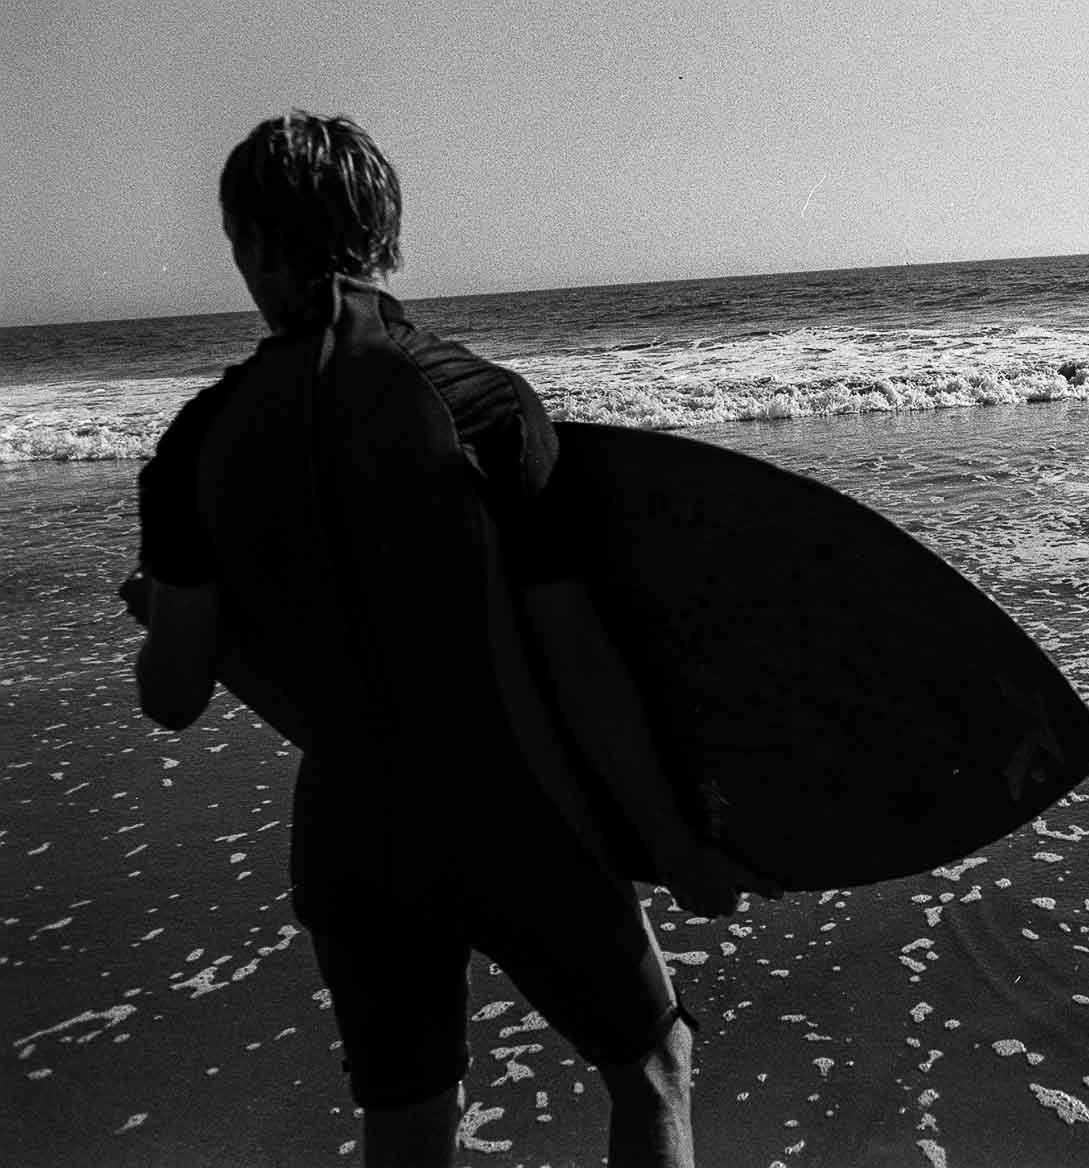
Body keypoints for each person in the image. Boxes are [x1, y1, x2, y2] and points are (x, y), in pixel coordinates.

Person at [130, 111, 776, 1167]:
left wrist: (162, 612)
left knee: (409, 1119)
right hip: (513, 815)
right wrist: (672, 841)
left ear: (249, 244)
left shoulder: (195, 444)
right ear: (388, 235)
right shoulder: (484, 406)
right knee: (651, 1067)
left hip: (351, 839)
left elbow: (173, 693)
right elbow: (580, 663)